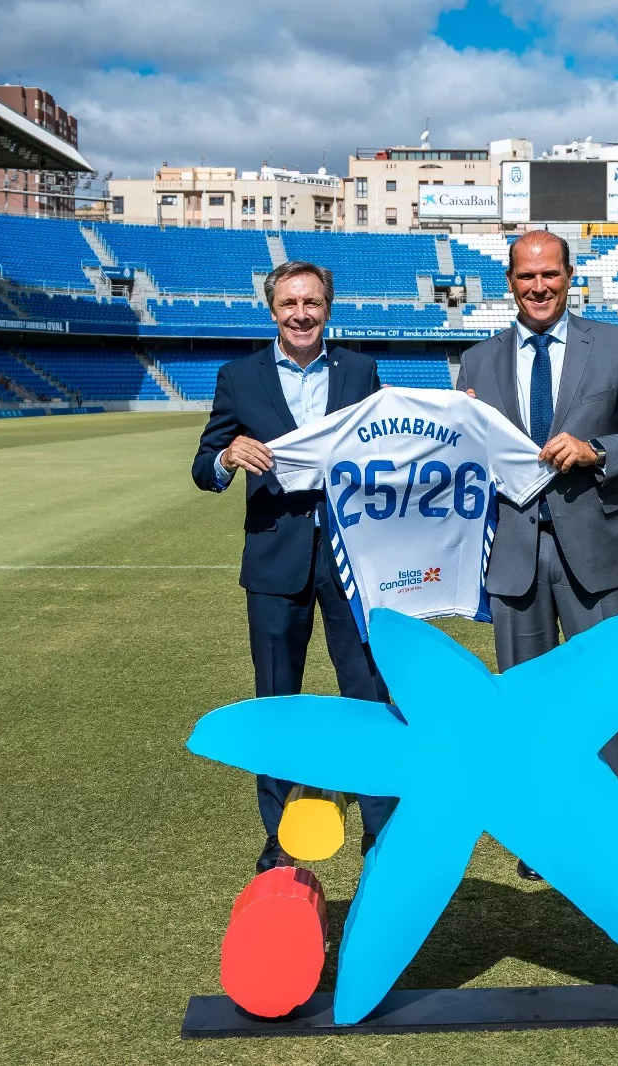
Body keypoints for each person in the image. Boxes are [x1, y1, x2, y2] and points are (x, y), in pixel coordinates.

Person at [456, 231, 618, 879]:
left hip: (597, 553)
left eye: (550, 274)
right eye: (527, 276)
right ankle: (541, 834)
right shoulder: (475, 360)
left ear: (571, 276)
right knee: (527, 703)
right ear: (510, 282)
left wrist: (598, 453)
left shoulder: (614, 346)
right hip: (514, 557)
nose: (539, 286)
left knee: (611, 694)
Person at [192, 260, 394, 874]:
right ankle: (280, 836)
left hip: (354, 562)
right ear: (272, 310)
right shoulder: (238, 377)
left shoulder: (360, 372)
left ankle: (381, 830)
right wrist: (227, 455)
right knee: (275, 700)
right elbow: (204, 468)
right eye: (289, 304)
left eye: (311, 303)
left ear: (328, 308)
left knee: (368, 694)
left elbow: (390, 447)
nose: (301, 314)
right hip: (275, 563)